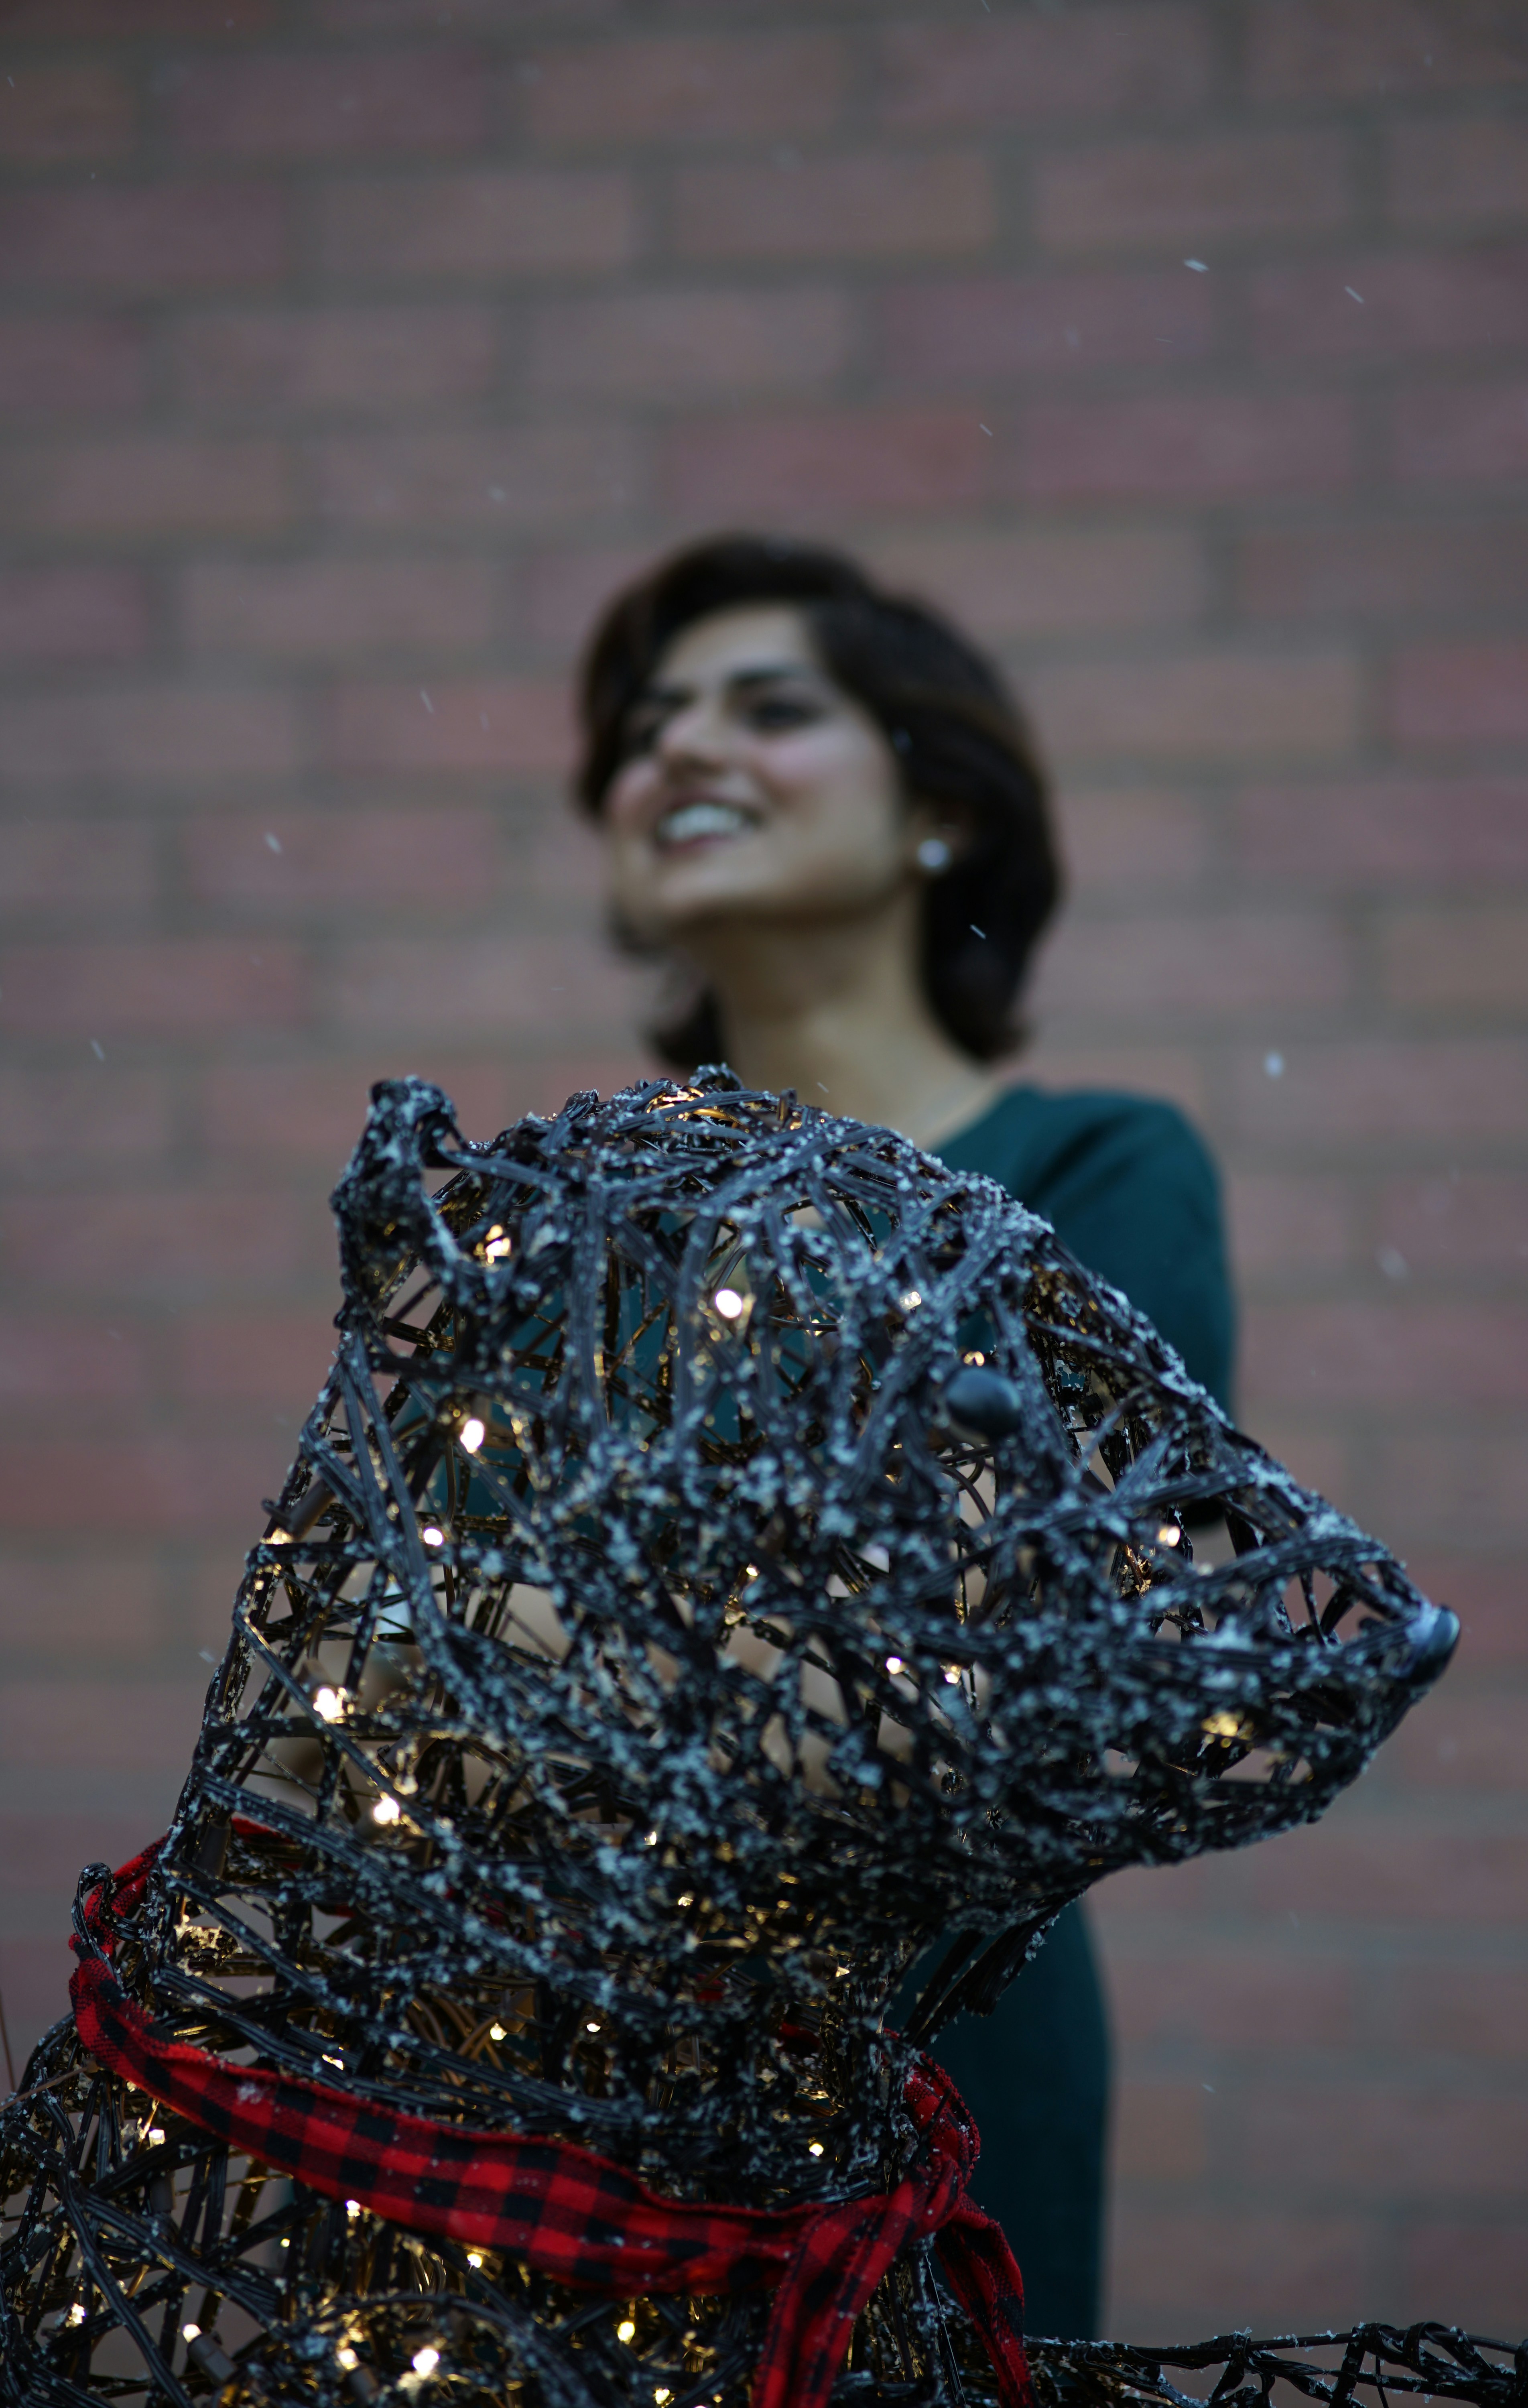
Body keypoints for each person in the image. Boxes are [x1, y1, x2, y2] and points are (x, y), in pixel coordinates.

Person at [571, 533, 1235, 2340]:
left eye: (769, 708)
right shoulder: (579, 1240)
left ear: (938, 809)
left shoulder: (1095, 1171)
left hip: (931, 2086)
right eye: (649, 726)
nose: (678, 749)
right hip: (557, 2082)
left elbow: (1029, 1627)